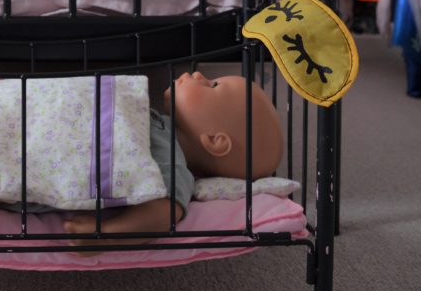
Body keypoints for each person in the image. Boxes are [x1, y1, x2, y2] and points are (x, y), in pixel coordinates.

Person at [61, 70, 284, 250]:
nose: (198, 75)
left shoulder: (172, 160)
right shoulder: (160, 124)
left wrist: (107, 234)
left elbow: (165, 212)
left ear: (216, 141)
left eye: (212, 85)